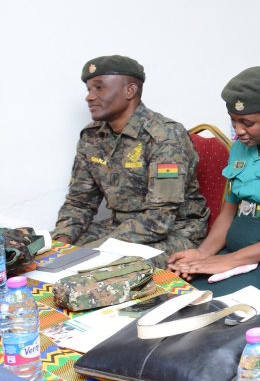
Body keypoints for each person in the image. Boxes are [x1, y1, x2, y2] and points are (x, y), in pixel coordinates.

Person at [168, 67, 260, 296]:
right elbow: (229, 212)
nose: (238, 130)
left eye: (247, 123)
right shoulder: (242, 146)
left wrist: (231, 260)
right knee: (173, 291)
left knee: (212, 303)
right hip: (233, 251)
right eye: (234, 121)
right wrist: (203, 254)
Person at [53, 56, 209, 269]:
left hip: (174, 233)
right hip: (120, 229)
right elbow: (79, 203)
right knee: (43, 256)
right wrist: (60, 244)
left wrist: (97, 250)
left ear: (130, 91)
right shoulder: (92, 136)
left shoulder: (164, 136)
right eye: (89, 89)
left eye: (99, 88)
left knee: (98, 268)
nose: (89, 97)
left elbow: (159, 219)